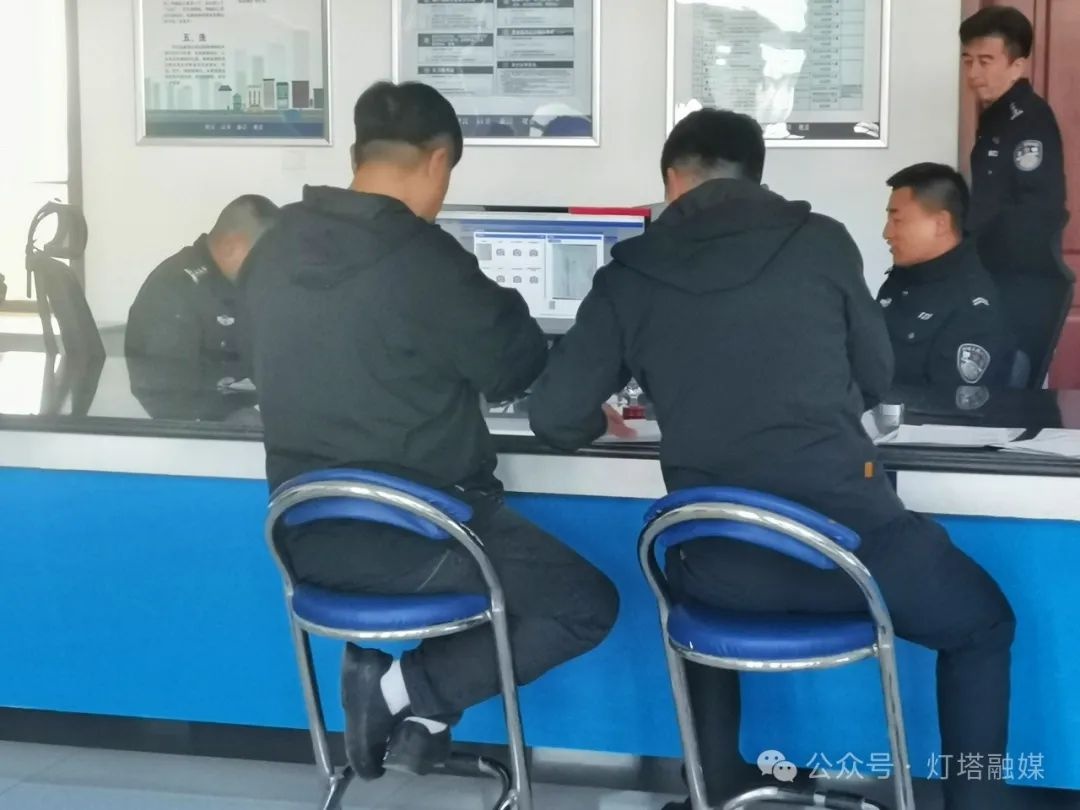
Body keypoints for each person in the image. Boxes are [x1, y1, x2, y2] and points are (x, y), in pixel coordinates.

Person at [527, 108, 1015, 810]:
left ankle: (712, 787)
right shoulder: (821, 243)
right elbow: (875, 375)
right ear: (757, 177)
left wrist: (602, 414)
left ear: (673, 180)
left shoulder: (631, 273)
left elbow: (552, 416)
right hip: (854, 555)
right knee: (983, 624)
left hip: (720, 570)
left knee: (691, 576)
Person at [240, 81, 618, 780]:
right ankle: (400, 692)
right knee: (583, 604)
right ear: (440, 159)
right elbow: (515, 365)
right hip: (423, 538)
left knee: (506, 577)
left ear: (359, 152)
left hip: (303, 539)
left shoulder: (272, 249)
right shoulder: (423, 258)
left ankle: (426, 720)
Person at [961, 5, 1071, 382]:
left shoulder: (1028, 120)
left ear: (1017, 65)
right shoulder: (996, 117)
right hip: (997, 274)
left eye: (985, 61)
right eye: (968, 60)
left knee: (1011, 386)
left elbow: (1035, 211)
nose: (973, 73)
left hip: (1023, 281)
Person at [878, 162, 1016, 388]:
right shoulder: (903, 278)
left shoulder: (972, 307)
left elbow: (951, 404)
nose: (887, 233)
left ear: (940, 224)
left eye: (898, 220)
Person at [124, 195, 279, 380]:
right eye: (262, 253)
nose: (269, 263)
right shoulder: (174, 291)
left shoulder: (235, 282)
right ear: (229, 247)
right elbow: (169, 387)